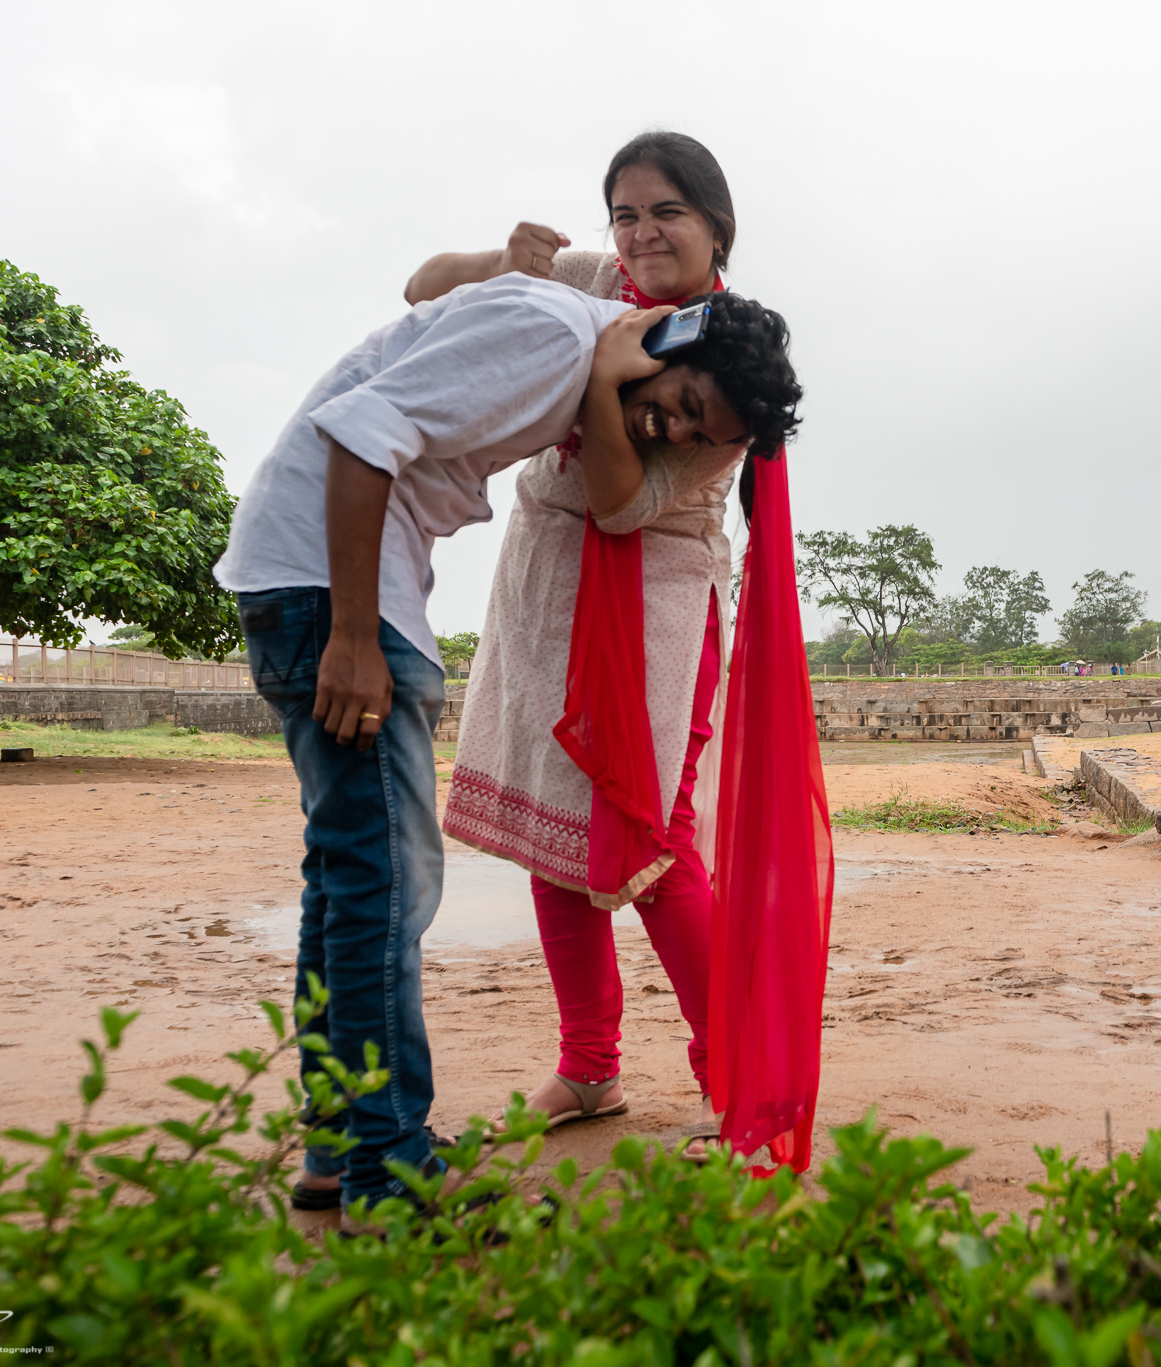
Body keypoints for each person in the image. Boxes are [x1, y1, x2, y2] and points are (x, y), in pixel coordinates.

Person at [213, 258, 799, 1217]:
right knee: (382, 889)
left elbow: (614, 497)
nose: (679, 432)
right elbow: (366, 429)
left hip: (334, 583)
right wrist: (355, 636)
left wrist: (616, 390)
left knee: (358, 884)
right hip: (342, 592)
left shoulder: (585, 351)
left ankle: (348, 1147)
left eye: (701, 428)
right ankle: (390, 1168)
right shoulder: (561, 332)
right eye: (684, 405)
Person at [412, 132, 830, 1169]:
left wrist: (603, 377)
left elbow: (620, 503)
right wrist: (497, 262)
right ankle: (588, 1061)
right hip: (545, 573)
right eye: (626, 214)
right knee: (554, 826)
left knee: (650, 837)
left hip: (651, 588)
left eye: (667, 215)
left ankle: (734, 1079)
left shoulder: (730, 369)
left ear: (716, 227)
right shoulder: (590, 278)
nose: (642, 236)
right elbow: (422, 290)